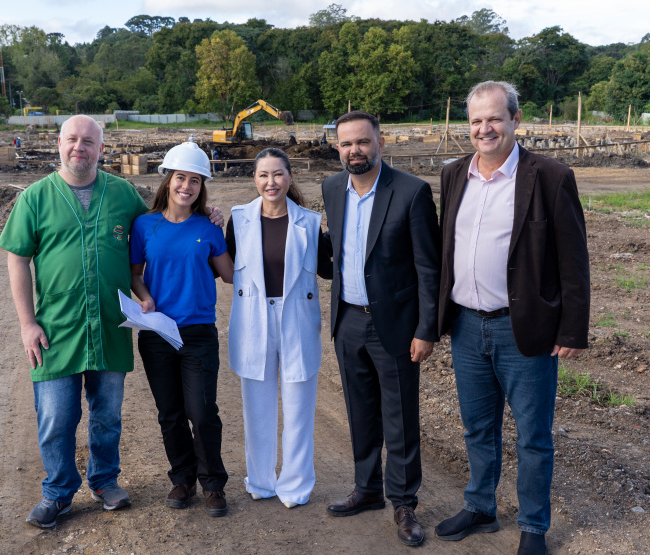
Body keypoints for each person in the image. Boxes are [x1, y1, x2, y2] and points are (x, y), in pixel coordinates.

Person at [434, 81, 590, 555]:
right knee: (477, 427)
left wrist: (570, 328)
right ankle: (480, 505)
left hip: (524, 330)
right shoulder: (454, 173)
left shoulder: (550, 177)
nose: (485, 128)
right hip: (466, 326)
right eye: (477, 120)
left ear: (516, 120)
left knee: (533, 436)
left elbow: (573, 260)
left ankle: (533, 526)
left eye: (495, 119)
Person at [0, 115, 146, 528]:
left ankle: (104, 481)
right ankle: (58, 493)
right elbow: (18, 261)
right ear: (58, 144)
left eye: (88, 141)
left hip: (110, 325)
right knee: (56, 418)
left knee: (108, 415)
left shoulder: (123, 195)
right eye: (72, 140)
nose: (79, 147)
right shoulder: (35, 198)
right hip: (56, 330)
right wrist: (27, 323)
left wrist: (208, 212)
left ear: (102, 148)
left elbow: (162, 224)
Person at [321, 110, 440, 547]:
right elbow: (335, 250)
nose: (355, 150)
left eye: (362, 142)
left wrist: (427, 329)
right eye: (346, 143)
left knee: (401, 416)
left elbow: (429, 268)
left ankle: (404, 502)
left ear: (380, 142)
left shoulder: (411, 192)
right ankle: (367, 488)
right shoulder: (332, 188)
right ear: (338, 148)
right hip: (348, 319)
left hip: (394, 325)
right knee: (360, 410)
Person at [129, 141, 234, 517]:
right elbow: (136, 275)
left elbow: (229, 274)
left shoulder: (208, 226)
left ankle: (213, 484)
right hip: (156, 332)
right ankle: (182, 478)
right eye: (180, 178)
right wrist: (145, 298)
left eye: (194, 180)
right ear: (167, 180)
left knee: (202, 411)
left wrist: (228, 226)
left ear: (201, 186)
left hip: (198, 333)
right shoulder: (144, 225)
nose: (186, 186)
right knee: (170, 412)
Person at [225, 148, 332, 510]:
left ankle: (296, 485)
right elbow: (222, 263)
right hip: (253, 319)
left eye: (277, 174)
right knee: (257, 408)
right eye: (263, 175)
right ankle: (260, 480)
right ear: (254, 179)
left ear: (289, 177)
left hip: (296, 318)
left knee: (300, 408)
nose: (270, 182)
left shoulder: (311, 223)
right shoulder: (237, 220)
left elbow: (329, 269)